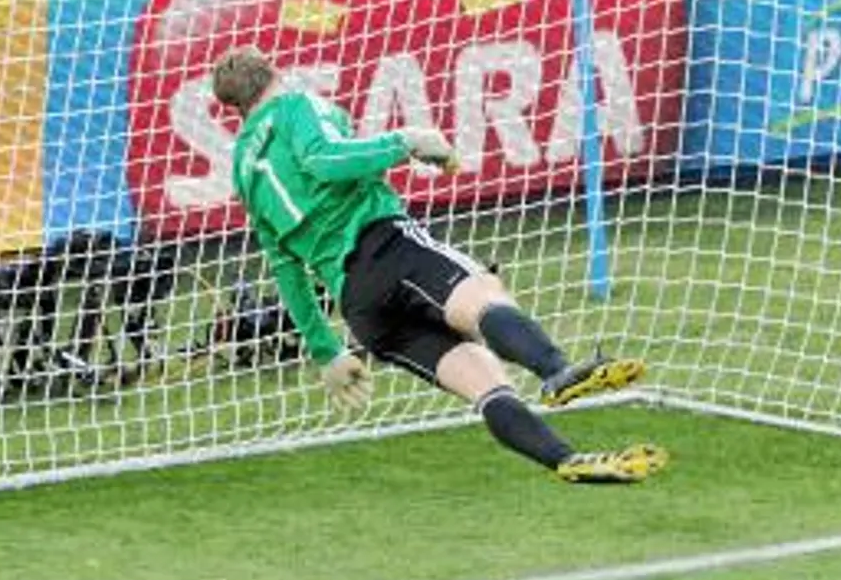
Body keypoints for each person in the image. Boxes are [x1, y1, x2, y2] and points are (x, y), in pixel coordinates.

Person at [211, 47, 667, 484]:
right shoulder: (293, 106)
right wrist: (404, 141)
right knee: (484, 296)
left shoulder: (242, 172)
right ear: (274, 74)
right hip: (385, 246)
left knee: (486, 386)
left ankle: (567, 460)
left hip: (361, 308)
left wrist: (326, 349)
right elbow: (324, 161)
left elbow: (285, 267)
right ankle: (555, 370)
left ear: (236, 109)